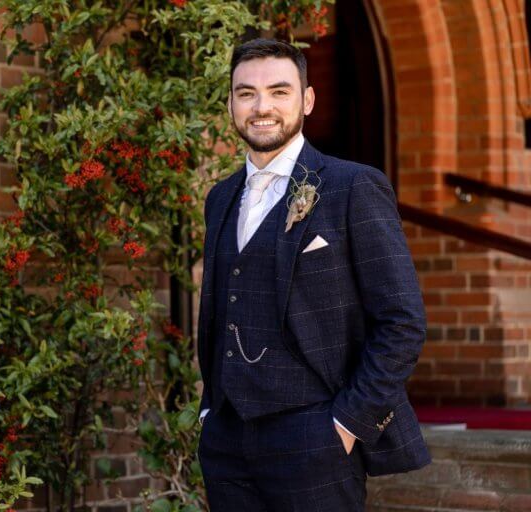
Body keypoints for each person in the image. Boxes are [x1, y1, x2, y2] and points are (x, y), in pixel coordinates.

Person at [196, 38, 431, 511]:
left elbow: (403, 321)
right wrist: (209, 414)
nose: (262, 107)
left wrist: (346, 424)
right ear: (230, 104)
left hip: (316, 439)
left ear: (306, 100)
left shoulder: (351, 186)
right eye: (246, 93)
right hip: (227, 442)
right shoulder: (220, 198)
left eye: (279, 91)